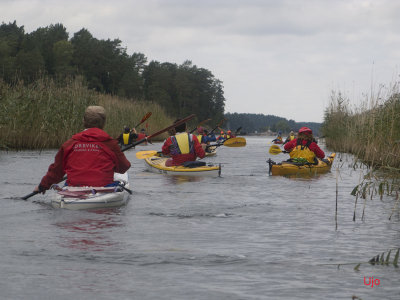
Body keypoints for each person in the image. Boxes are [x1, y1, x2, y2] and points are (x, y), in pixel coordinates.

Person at [33, 106, 131, 193]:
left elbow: (56, 172)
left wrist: (42, 186)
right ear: (103, 123)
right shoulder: (111, 144)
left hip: (74, 189)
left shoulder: (69, 144)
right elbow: (124, 167)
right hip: (103, 189)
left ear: (83, 121)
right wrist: (111, 166)